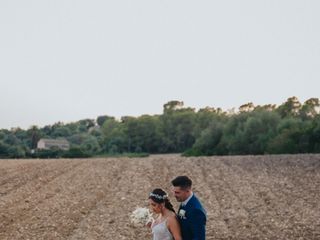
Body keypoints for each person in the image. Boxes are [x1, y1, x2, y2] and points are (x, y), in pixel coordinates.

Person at [171, 176, 207, 240]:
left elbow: (199, 238)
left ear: (187, 191)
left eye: (177, 192)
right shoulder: (185, 201)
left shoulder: (196, 211)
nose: (174, 195)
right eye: (174, 191)